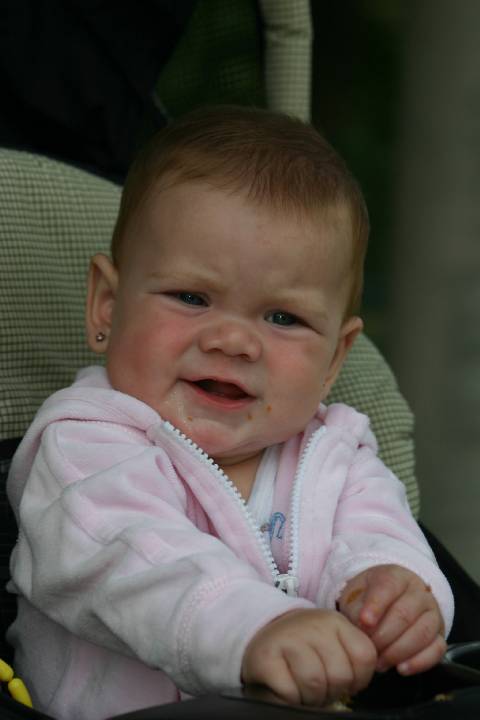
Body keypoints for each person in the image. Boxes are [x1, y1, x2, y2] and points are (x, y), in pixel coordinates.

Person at [6, 105, 454, 720]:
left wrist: (392, 593)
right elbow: (130, 556)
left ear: (333, 358)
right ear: (107, 306)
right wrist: (254, 627)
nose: (234, 341)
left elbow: (380, 535)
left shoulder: (339, 455)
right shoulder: (83, 446)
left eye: (283, 317)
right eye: (192, 297)